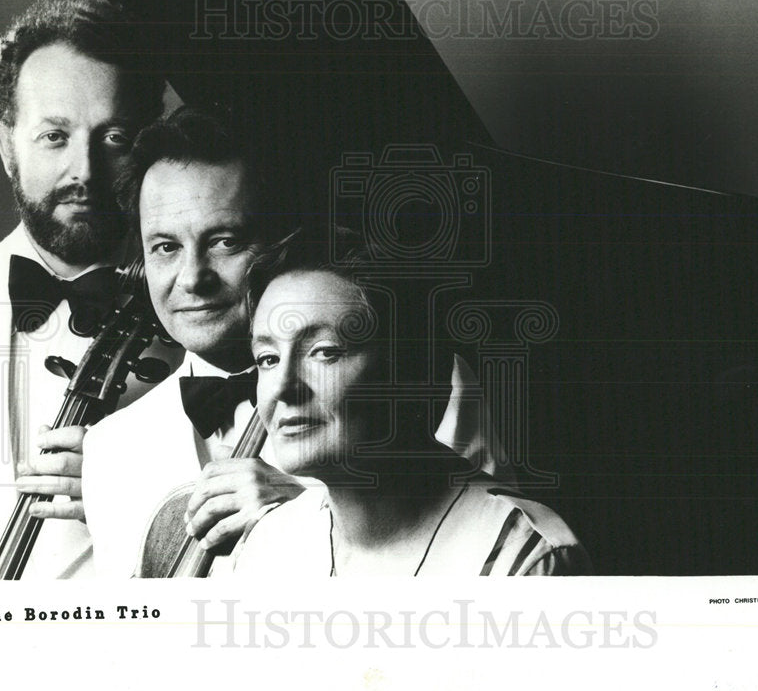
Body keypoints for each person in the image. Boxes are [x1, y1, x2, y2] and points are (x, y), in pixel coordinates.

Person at [81, 106, 500, 578]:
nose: (193, 278)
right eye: (166, 247)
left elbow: (483, 547)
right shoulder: (108, 451)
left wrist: (313, 507)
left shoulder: (418, 382)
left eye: (225, 241)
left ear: (282, 240)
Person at [0, 0, 181, 578]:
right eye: (55, 136)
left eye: (114, 137)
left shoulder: (214, 314)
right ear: (6, 144)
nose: (85, 171)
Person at [231, 226, 592, 576]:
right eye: (268, 358)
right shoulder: (266, 546)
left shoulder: (523, 557)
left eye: (324, 352)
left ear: (412, 371)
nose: (282, 387)